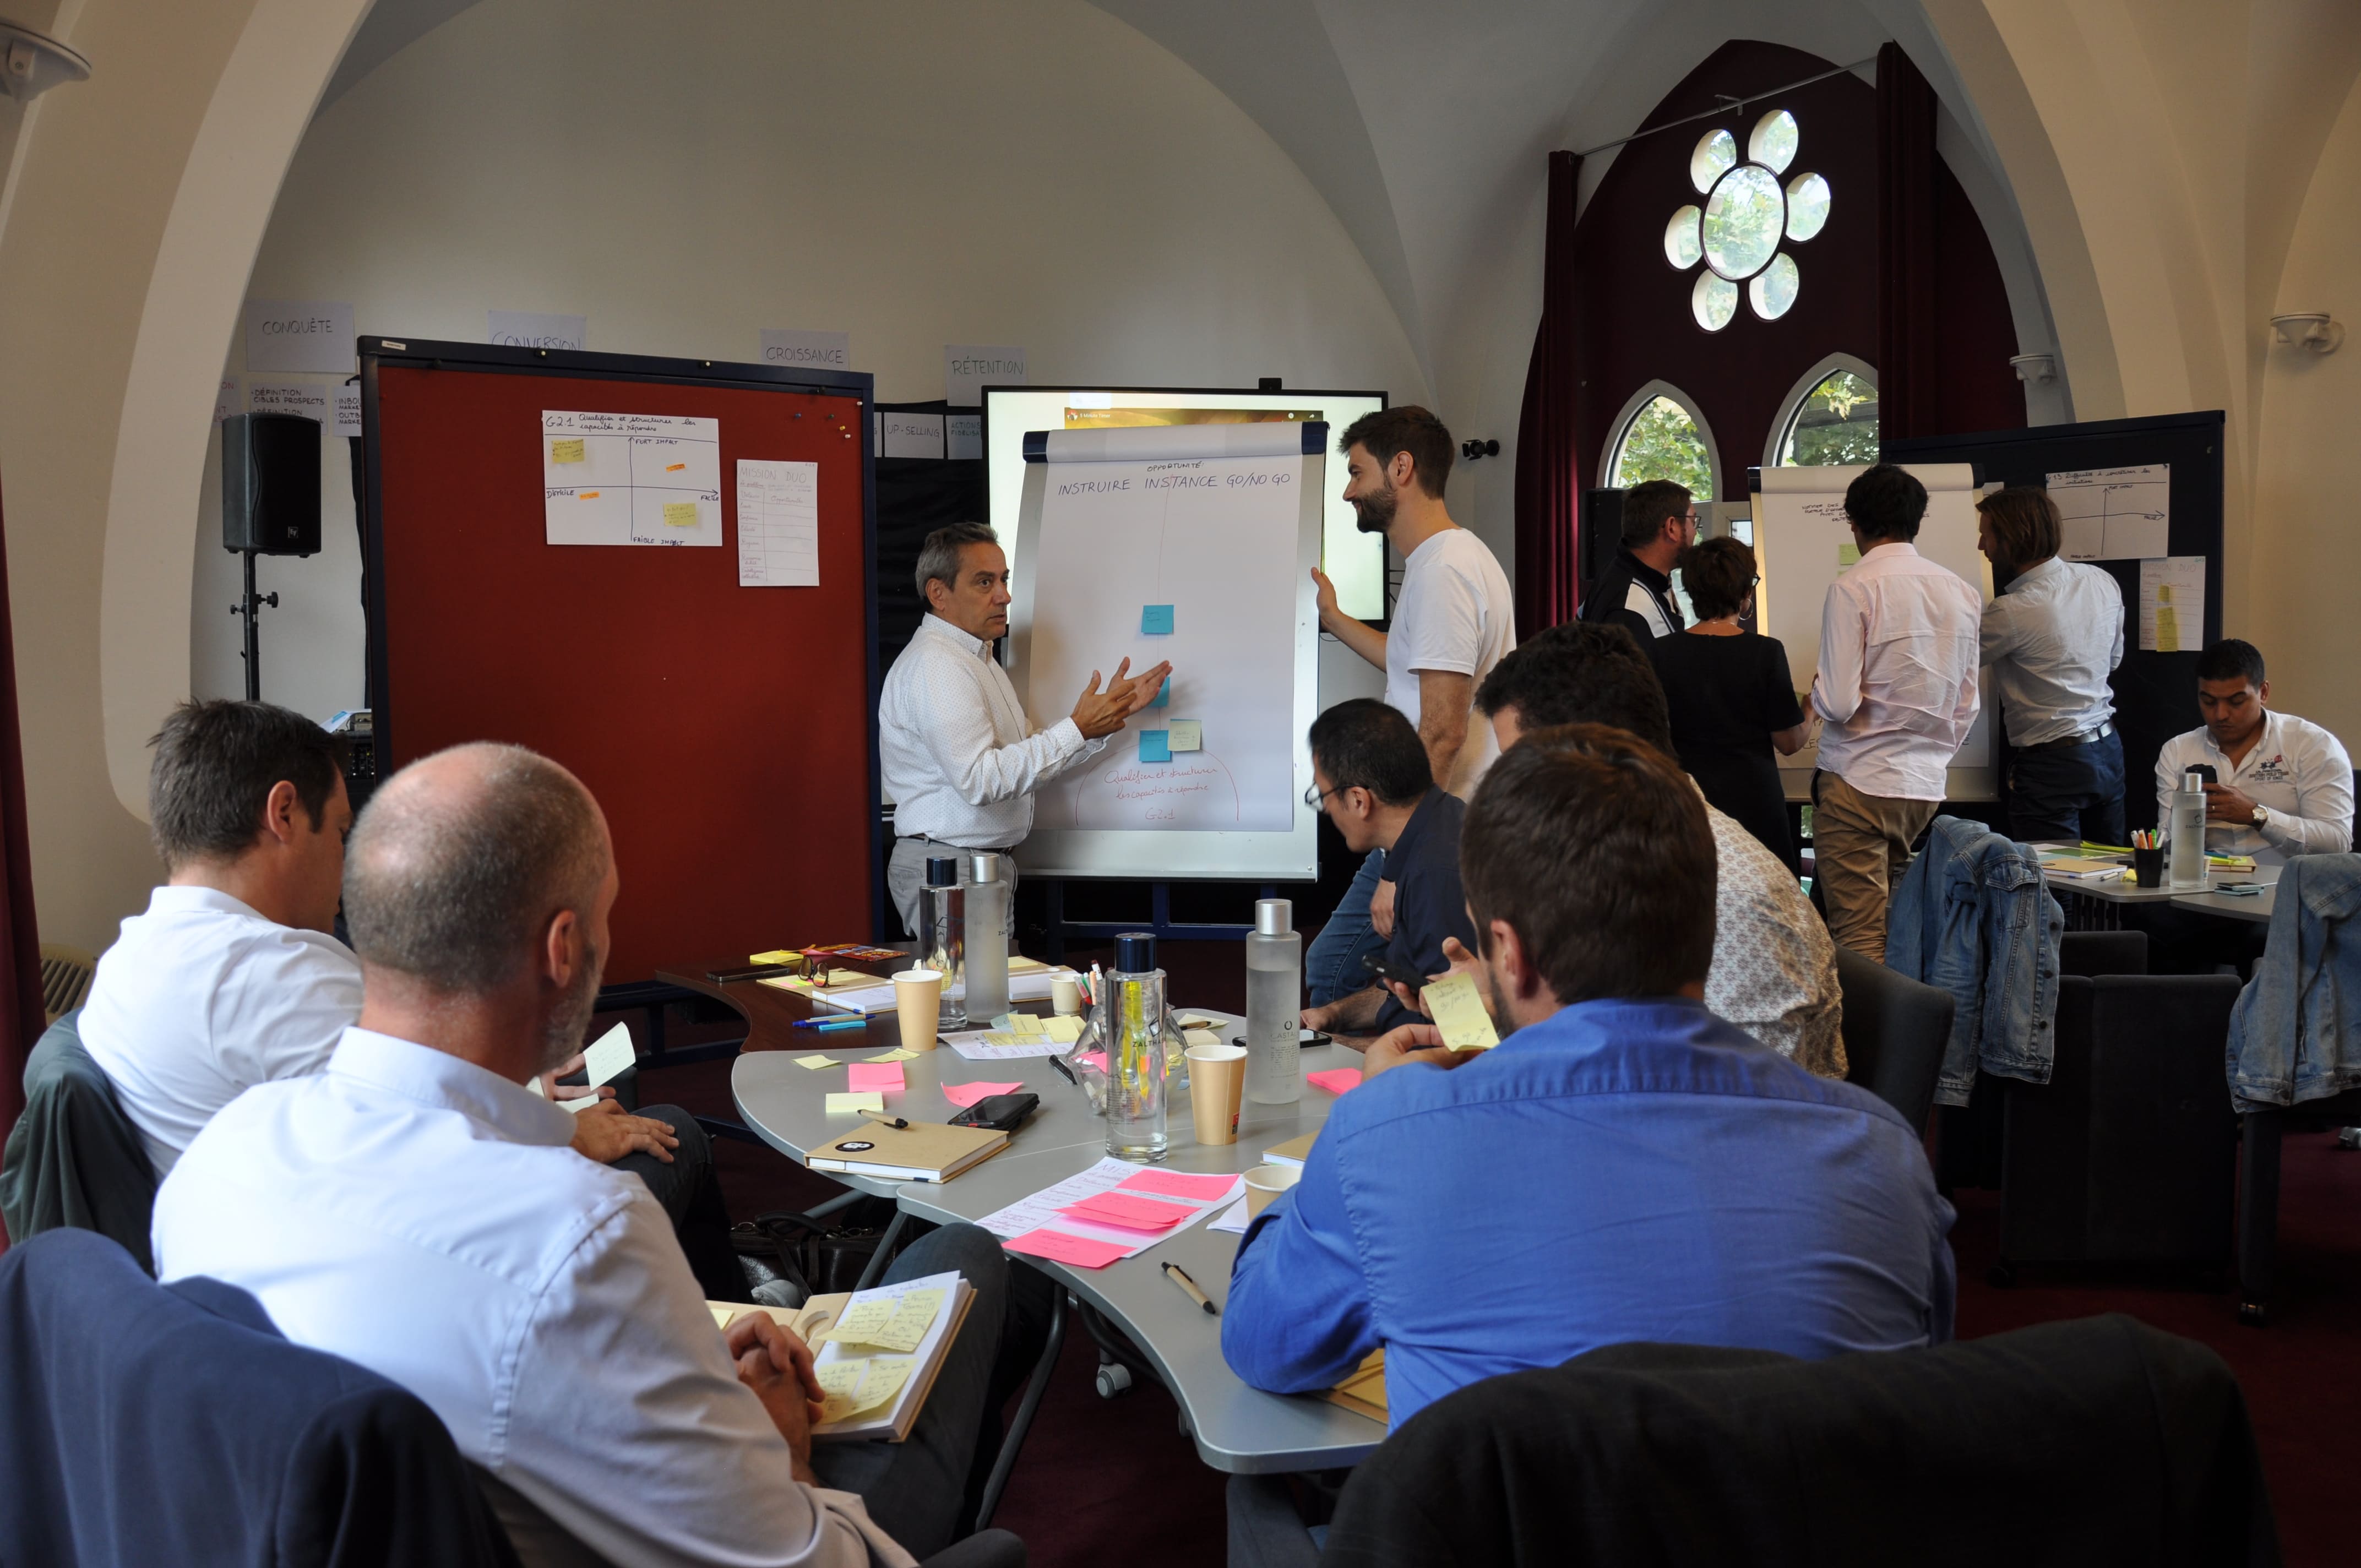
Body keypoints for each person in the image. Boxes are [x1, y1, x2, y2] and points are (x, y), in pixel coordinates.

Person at [153, 743, 1015, 1567]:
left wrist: (683, 1371)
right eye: (607, 916)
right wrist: (785, 1446)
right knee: (965, 1256)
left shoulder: (220, 1157)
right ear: (562, 949)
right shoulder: (579, 1233)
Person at [1222, 725, 1953, 1430]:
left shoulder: (1390, 1134)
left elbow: (1264, 1347)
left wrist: (1362, 1135)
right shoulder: (1887, 1157)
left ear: (1508, 951)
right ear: (1699, 923)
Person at [79, 699, 744, 1299]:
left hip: (267, 1261)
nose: (343, 861)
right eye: (339, 832)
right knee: (675, 1132)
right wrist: (567, 1133)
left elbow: (396, 1100)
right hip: (402, 1273)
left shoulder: (127, 961)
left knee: (603, 1097)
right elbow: (437, 1157)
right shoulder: (276, 977)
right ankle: (733, 1327)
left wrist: (524, 1093)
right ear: (284, 814)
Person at [1472, 622, 1842, 1076]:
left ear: (1591, 758)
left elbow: (1737, 1105)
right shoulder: (1618, 859)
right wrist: (1502, 1001)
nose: (1515, 793)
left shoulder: (1732, 899)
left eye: (1520, 770)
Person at [1307, 406, 1514, 1005]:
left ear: (1401, 468)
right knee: (1417, 990)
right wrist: (1333, 618)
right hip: (1440, 822)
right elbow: (1409, 663)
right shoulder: (1450, 558)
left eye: (1356, 472)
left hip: (1437, 827)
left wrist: (1401, 866)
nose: (1348, 491)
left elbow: (1443, 730)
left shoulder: (1443, 573)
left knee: (1339, 974)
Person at [879, 521, 1171, 938]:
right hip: (951, 868)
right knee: (973, 984)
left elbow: (1021, 755)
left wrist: (1093, 725)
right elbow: (980, 779)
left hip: (975, 866)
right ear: (938, 594)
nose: (1004, 596)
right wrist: (1077, 728)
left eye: (1004, 579)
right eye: (985, 582)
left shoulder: (976, 657)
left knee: (992, 983)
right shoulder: (938, 665)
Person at [1809, 464, 1982, 962]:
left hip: (1858, 781)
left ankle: (1876, 1019)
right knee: (1900, 929)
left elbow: (1838, 703)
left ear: (1854, 522)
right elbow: (1966, 703)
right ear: (1917, 520)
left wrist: (1815, 693)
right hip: (1921, 788)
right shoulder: (1962, 592)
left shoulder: (1852, 588)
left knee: (1860, 938)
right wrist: (1929, 755)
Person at [1294, 700, 1475, 1042]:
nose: (1325, 809)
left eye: (1322, 794)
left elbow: (1464, 1038)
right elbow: (1415, 992)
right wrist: (1335, 1014)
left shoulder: (1434, 876)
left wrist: (1344, 1048)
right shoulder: (1435, 824)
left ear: (1359, 800)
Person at [1974, 486, 2128, 845]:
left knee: (2054, 878)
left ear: (2012, 538)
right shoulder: (2100, 580)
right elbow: (2114, 660)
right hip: (2107, 749)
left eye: (1987, 535)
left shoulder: (2013, 611)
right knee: (2109, 871)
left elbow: (1951, 664)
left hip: (2052, 766)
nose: (1982, 546)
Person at [1646, 536, 1811, 869]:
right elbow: (1789, 742)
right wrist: (1811, 708)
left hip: (1685, 806)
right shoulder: (1766, 653)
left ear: (1692, 591)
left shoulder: (1658, 653)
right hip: (1754, 807)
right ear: (1745, 593)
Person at [2153, 639, 2352, 863]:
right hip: (2203, 879)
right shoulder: (2178, 751)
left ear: (2263, 693)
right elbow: (2164, 844)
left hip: (2286, 879)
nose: (2220, 715)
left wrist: (2257, 816)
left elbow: (2337, 842)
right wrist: (2183, 813)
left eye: (2236, 702)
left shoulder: (2311, 744)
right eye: (2209, 702)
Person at [1579, 479, 1696, 641]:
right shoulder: (1630, 611)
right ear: (1671, 528)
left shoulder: (1614, 572)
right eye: (1693, 522)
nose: (1695, 532)